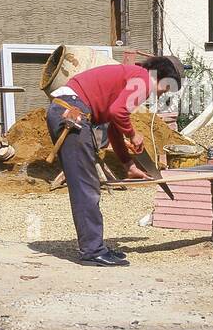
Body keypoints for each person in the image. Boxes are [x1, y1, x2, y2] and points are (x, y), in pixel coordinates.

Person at [46, 55, 185, 267]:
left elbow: (112, 128)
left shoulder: (133, 77)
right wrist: (133, 134)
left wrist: (128, 165)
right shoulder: (145, 80)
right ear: (165, 78)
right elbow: (117, 113)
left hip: (71, 110)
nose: (164, 93)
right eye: (167, 88)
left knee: (87, 185)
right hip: (72, 114)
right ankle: (93, 251)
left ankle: (95, 246)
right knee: (86, 187)